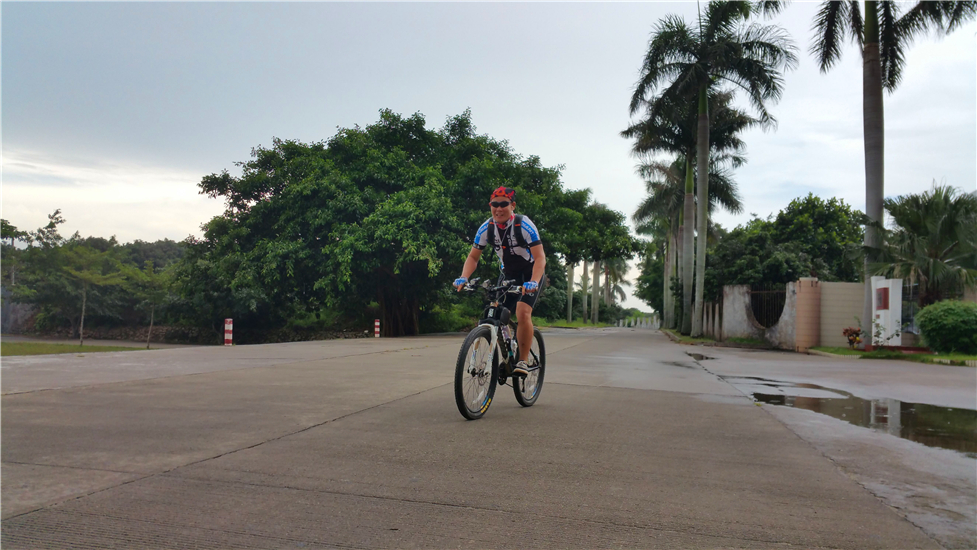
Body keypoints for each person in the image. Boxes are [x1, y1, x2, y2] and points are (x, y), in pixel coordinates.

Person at [454, 186, 546, 376]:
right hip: (508, 275)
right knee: (496, 311)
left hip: (530, 274)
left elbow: (540, 258)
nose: (498, 209)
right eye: (494, 205)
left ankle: (522, 360)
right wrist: (464, 277)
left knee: (522, 312)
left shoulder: (524, 225)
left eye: (504, 204)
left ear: (513, 205)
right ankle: (508, 350)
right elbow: (473, 257)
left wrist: (534, 281)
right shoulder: (486, 228)